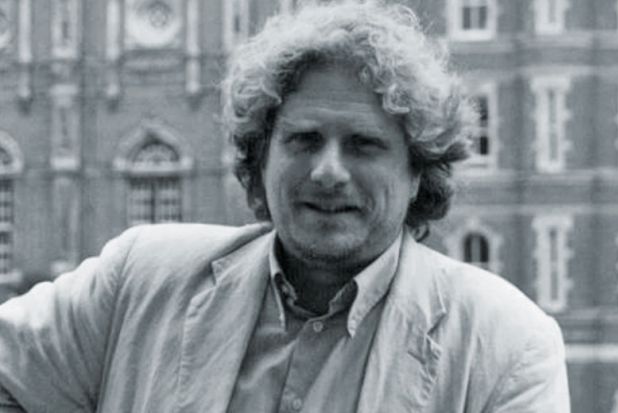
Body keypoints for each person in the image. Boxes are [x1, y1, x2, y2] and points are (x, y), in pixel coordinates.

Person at [0, 1, 570, 412]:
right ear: (260, 158)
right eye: (303, 139)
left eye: (363, 144)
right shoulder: (140, 279)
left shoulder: (504, 344)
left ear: (418, 171)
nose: (328, 171)